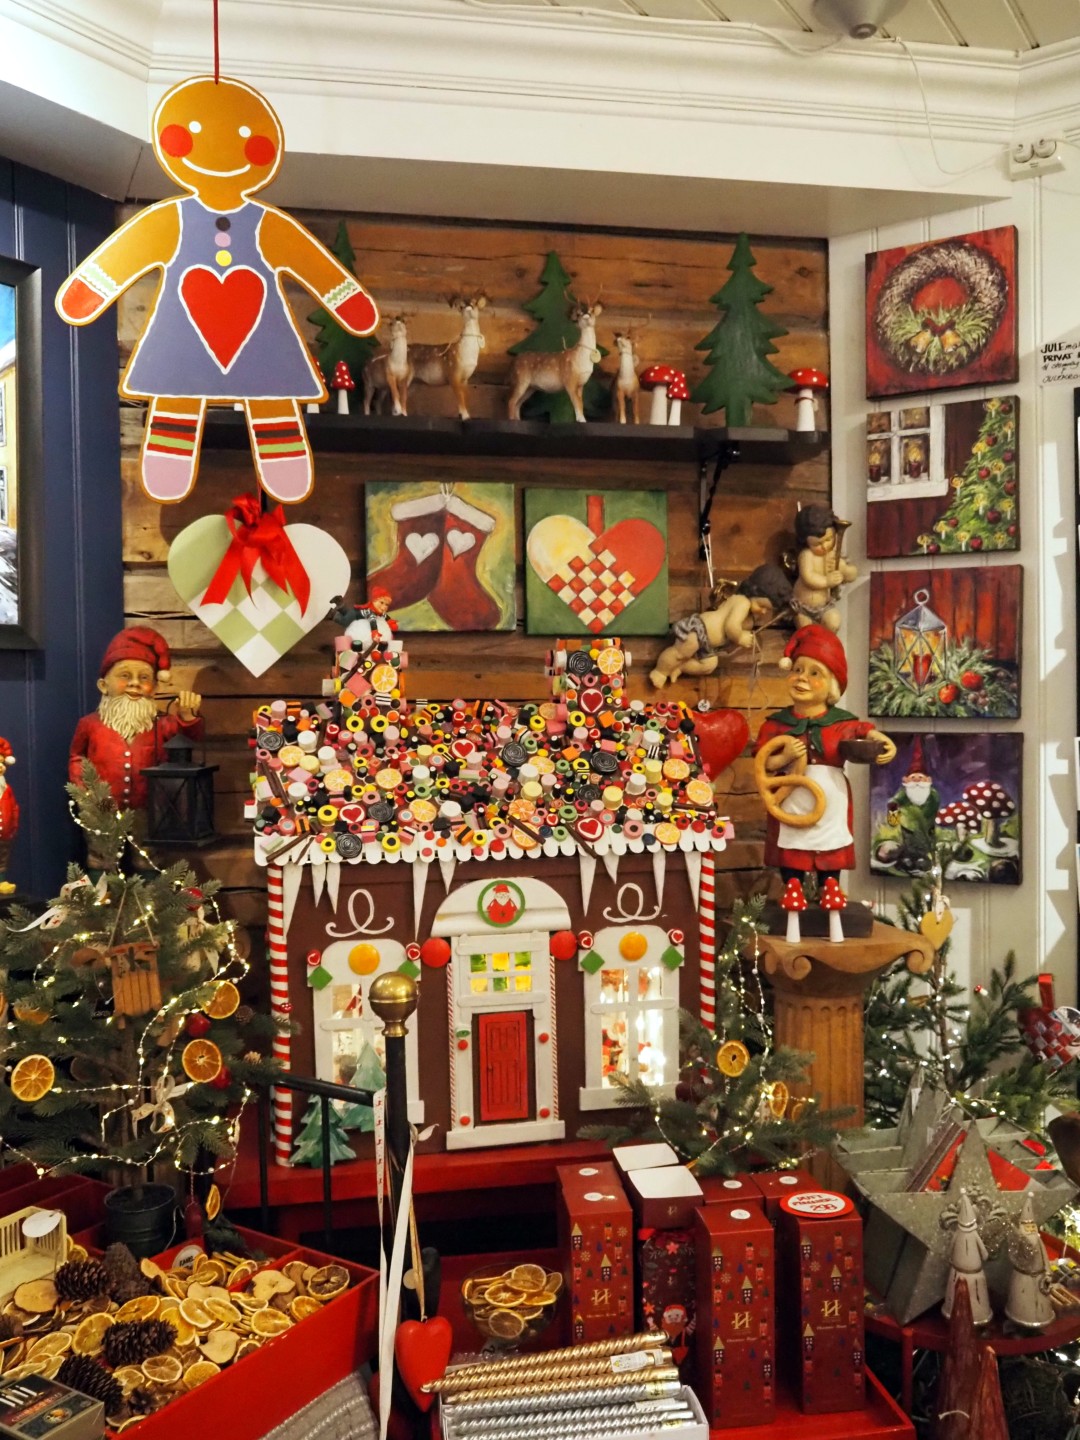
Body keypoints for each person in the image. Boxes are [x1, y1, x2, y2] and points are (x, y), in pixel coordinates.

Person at [755, 625, 894, 885]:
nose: (802, 678)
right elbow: (764, 763)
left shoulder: (841, 723)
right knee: (791, 844)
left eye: (814, 673)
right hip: (789, 797)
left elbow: (864, 731)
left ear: (832, 684)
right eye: (797, 670)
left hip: (831, 800)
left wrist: (883, 741)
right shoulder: (776, 724)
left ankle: (829, 885)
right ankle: (792, 885)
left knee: (832, 842)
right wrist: (784, 758)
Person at [69, 627, 203, 817]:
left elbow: (190, 738)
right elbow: (77, 758)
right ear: (103, 685)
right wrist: (87, 796)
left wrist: (187, 716)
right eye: (125, 676)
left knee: (145, 837)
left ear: (154, 688)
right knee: (105, 838)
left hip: (150, 813)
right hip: (103, 813)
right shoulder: (89, 724)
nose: (135, 683)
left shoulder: (162, 724)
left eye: (144, 677)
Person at [791, 503, 857, 632]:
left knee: (834, 621)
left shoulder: (833, 555)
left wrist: (844, 570)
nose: (824, 546)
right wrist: (827, 581)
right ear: (806, 542)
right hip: (804, 608)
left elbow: (853, 574)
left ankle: (827, 641)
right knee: (806, 630)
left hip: (825, 607)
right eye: (817, 544)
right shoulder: (807, 555)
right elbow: (808, 577)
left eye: (829, 539)